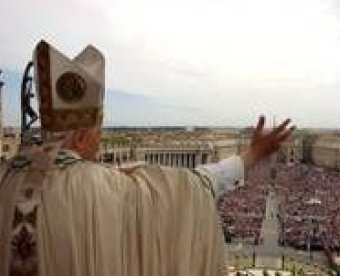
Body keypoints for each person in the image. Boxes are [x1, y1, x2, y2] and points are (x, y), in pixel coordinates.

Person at [0, 40, 294, 276]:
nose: (99, 144)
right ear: (79, 136)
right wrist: (251, 155)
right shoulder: (108, 191)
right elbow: (192, 186)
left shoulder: (5, 177)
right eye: (97, 133)